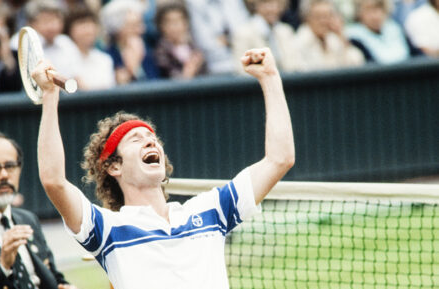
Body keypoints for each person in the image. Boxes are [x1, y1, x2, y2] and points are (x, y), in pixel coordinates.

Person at [33, 47, 295, 289]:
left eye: (153, 139)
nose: (150, 141)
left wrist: (270, 78)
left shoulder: (211, 210)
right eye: (136, 140)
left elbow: (279, 159)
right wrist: (50, 96)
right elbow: (54, 180)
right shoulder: (108, 229)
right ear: (113, 166)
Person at [0, 131, 77, 289]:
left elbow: (54, 277)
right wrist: (2, 264)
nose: (3, 175)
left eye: (10, 166)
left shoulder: (28, 219)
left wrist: (64, 286)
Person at [232, 0, 302, 73]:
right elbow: (242, 71)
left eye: (277, 4)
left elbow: (296, 64)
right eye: (268, 4)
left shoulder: (286, 31)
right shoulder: (243, 34)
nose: (274, 9)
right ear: (257, 6)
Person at [295, 0, 364, 71]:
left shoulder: (333, 39)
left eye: (327, 16)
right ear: (307, 18)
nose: (323, 21)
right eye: (318, 17)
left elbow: (357, 62)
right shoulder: (300, 41)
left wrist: (341, 35)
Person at [64, 5, 116, 90]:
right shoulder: (63, 56)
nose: (88, 30)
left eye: (91, 24)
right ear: (70, 29)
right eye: (82, 24)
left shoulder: (105, 59)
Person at [346, 0, 412, 64]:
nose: (375, 16)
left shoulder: (394, 28)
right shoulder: (354, 38)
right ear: (359, 13)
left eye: (378, 9)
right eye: (369, 11)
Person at [154, 2, 206, 79]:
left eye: (178, 20)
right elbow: (173, 78)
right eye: (169, 22)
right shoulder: (161, 52)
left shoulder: (193, 45)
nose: (175, 25)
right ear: (161, 25)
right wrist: (190, 68)